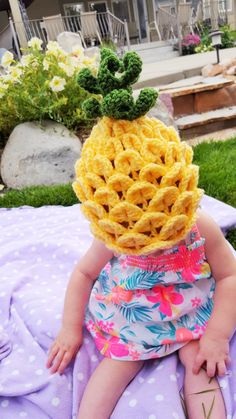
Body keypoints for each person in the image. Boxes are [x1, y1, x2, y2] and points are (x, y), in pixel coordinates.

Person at [46, 48, 236, 418]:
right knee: (114, 367)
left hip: (189, 309)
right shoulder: (114, 233)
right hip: (131, 315)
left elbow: (230, 274)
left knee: (199, 365)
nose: (151, 244)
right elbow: (84, 274)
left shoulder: (200, 227)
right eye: (138, 238)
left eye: (163, 227)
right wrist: (70, 329)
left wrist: (216, 336)